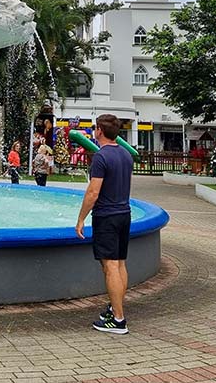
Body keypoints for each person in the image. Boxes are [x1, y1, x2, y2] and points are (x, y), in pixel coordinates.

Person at [75, 113, 133, 334]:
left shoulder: (100, 157)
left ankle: (118, 320)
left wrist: (81, 219)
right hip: (124, 213)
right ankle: (115, 306)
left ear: (99, 130)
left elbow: (93, 192)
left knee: (109, 266)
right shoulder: (126, 155)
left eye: (94, 127)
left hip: (106, 216)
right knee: (119, 264)